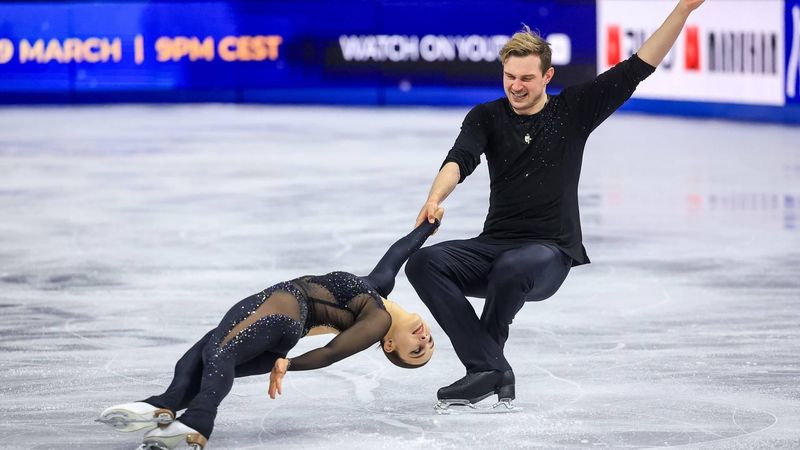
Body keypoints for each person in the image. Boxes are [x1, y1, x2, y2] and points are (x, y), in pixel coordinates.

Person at [405, 0, 706, 408]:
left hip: (550, 253)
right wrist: (434, 197)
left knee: (512, 268)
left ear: (547, 75)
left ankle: (486, 368)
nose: (516, 86)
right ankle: (490, 369)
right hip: (495, 244)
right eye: (509, 76)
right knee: (424, 263)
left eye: (527, 78)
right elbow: (460, 158)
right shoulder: (487, 117)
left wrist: (683, 10)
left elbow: (639, 65)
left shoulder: (573, 111)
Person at [98, 209, 442, 449]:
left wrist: (289, 364)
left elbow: (333, 352)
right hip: (283, 326)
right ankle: (166, 403)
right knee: (211, 354)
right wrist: (428, 225)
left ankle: (197, 425)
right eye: (429, 344)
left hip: (285, 306)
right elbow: (399, 252)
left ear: (390, 345)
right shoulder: (379, 288)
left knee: (218, 352)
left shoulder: (377, 322)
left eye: (416, 351)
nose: (425, 340)